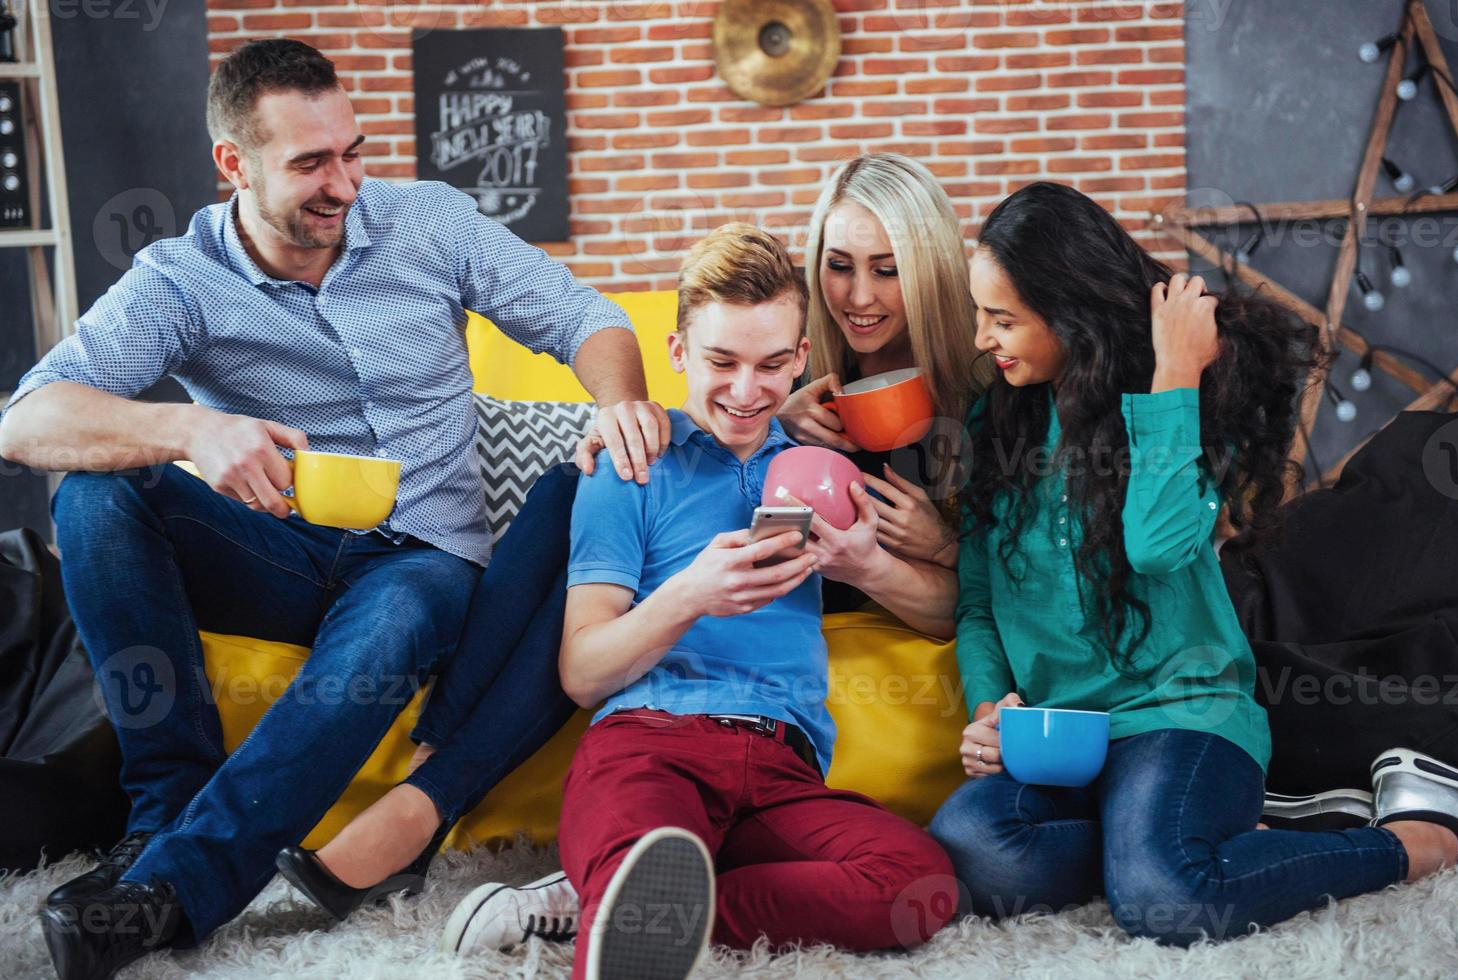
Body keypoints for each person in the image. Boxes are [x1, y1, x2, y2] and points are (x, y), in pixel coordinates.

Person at [0, 39, 668, 980]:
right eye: (311, 163)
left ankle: (173, 889)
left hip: (424, 558)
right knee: (99, 495)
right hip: (273, 550)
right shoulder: (181, 276)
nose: (345, 182)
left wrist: (621, 403)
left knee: (397, 612)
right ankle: (160, 811)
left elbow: (582, 317)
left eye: (352, 151)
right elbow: (25, 418)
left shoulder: (427, 223)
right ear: (233, 164)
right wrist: (188, 431)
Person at [927, 181, 1458, 945]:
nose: (982, 337)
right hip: (1062, 736)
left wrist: (1175, 372)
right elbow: (978, 599)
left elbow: (1156, 545)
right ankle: (1194, 836)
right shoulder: (997, 418)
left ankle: (1412, 843)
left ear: (1069, 312)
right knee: (976, 849)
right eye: (980, 315)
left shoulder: (1172, 399)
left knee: (1166, 899)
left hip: (1180, 712)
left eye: (1003, 319)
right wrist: (991, 707)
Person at [437, 224, 958, 976]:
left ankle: (612, 907)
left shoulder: (823, 467)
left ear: (802, 358)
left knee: (919, 882)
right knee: (638, 866)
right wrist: (688, 595)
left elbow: (950, 609)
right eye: (722, 362)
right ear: (678, 355)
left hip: (784, 769)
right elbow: (583, 670)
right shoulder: (629, 466)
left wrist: (867, 564)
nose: (746, 393)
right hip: (650, 749)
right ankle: (626, 905)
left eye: (772, 365)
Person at [779, 153, 988, 621]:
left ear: (929, 271)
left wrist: (945, 546)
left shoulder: (986, 382)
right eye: (838, 266)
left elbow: (1028, 583)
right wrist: (774, 423)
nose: (858, 297)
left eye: (886, 270)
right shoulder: (793, 365)